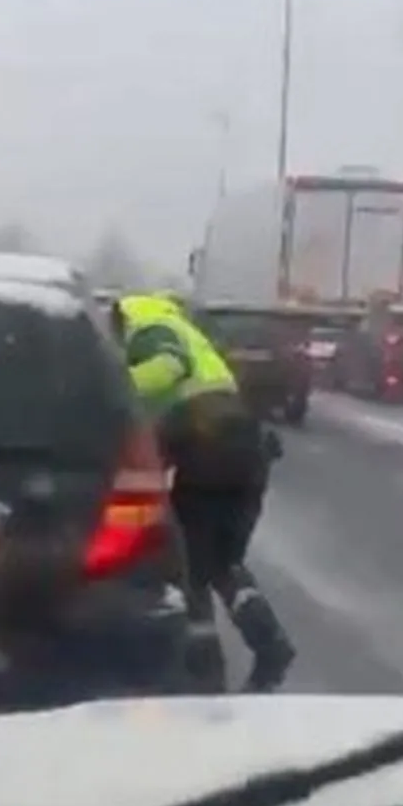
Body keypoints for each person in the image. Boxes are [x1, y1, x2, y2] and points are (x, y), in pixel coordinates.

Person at [112, 291, 296, 692]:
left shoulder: (146, 327)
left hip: (206, 451)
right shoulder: (189, 332)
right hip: (246, 452)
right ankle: (269, 642)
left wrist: (118, 388)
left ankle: (204, 678)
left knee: (188, 564)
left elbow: (168, 366)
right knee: (223, 560)